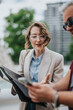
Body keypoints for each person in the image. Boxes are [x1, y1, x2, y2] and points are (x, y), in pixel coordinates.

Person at [25, 1, 73, 110]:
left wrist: (54, 96)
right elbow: (68, 79)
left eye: (71, 21)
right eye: (65, 25)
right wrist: (49, 87)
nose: (69, 28)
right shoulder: (24, 55)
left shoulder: (57, 57)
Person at [11, 22, 64, 110]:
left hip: (46, 106)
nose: (38, 40)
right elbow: (19, 78)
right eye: (34, 36)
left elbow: (59, 87)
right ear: (29, 38)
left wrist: (48, 85)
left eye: (42, 36)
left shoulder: (57, 58)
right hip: (26, 105)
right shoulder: (24, 54)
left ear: (46, 38)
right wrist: (14, 83)